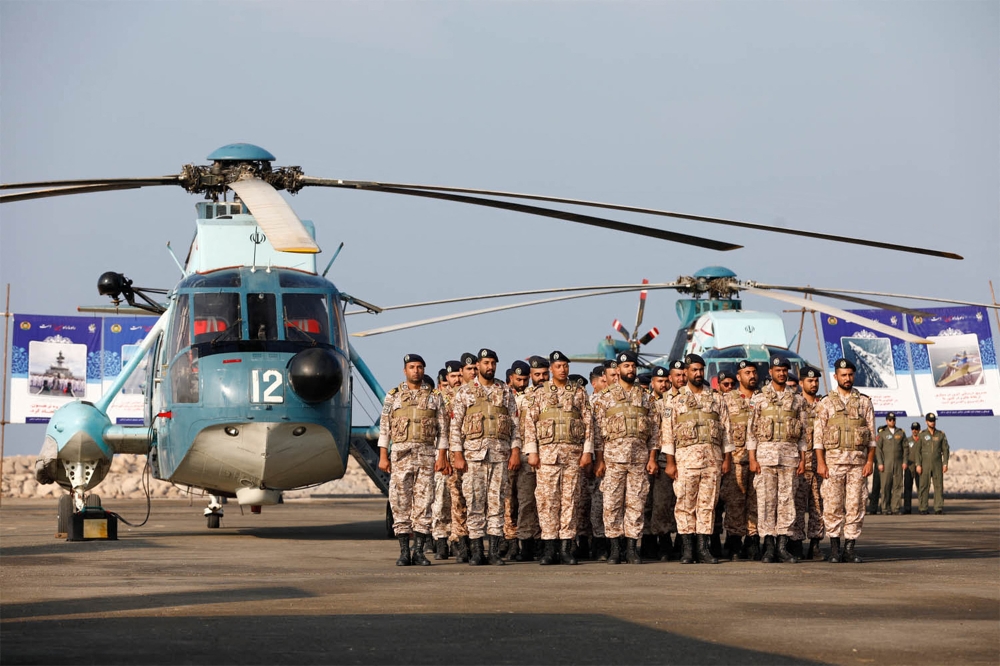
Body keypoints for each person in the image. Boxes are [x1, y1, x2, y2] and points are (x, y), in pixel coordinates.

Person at [450, 348, 521, 565]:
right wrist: (457, 454)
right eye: (486, 363)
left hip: (499, 455)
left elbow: (515, 424)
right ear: (478, 366)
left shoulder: (505, 391)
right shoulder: (464, 392)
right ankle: (477, 551)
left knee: (497, 503)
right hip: (473, 457)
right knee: (474, 502)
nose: (490, 367)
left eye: (493, 363)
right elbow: (455, 426)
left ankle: (494, 552)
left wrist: (515, 451)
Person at [377, 354, 450, 566]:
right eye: (411, 367)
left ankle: (418, 551)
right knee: (400, 503)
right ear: (405, 371)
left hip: (426, 457)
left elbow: (443, 431)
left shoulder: (435, 397)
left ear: (423, 370)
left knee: (424, 503)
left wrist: (442, 456)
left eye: (419, 367)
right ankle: (403, 552)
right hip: (401, 457)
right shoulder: (393, 396)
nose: (415, 371)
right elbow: (385, 428)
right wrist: (383, 456)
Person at [524, 351, 594, 565]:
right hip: (547, 456)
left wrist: (587, 451)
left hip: (573, 455)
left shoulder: (579, 392)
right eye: (558, 366)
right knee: (547, 501)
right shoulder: (539, 393)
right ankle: (549, 548)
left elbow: (588, 423)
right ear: (551, 369)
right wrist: (532, 451)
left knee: (570, 501)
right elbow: (530, 423)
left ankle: (566, 548)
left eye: (565, 366)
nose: (563, 369)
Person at [662, 353, 733, 565]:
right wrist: (670, 463)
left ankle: (703, 549)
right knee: (685, 505)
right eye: (694, 370)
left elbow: (726, 431)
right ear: (686, 372)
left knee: (707, 506)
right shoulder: (675, 401)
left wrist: (727, 459)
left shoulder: (716, 399)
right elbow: (668, 433)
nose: (698, 373)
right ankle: (687, 550)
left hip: (712, 461)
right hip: (685, 461)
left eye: (701, 370)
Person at [592, 350, 659, 564]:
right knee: (611, 504)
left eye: (632, 366)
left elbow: (655, 431)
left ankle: (631, 548)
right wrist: (599, 460)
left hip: (639, 460)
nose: (630, 369)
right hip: (613, 460)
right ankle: (614, 549)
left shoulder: (646, 398)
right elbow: (597, 432)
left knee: (636, 504)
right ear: (618, 369)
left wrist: (652, 458)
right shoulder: (605, 398)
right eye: (626, 366)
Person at [813, 358, 876, 564]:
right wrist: (821, 463)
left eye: (850, 375)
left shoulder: (864, 402)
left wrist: (869, 462)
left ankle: (849, 549)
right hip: (833, 464)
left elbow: (872, 438)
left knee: (856, 505)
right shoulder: (826, 403)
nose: (847, 378)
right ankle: (834, 549)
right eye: (843, 375)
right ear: (836, 377)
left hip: (858, 464)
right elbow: (818, 438)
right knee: (833, 506)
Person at [747, 357, 808, 564]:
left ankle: (782, 545)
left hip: (790, 458)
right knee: (766, 502)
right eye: (778, 370)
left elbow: (803, 434)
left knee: (787, 501)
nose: (781, 373)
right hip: (765, 458)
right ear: (770, 372)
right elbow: (751, 431)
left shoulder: (797, 400)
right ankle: (769, 547)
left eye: (784, 370)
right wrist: (752, 458)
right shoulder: (758, 399)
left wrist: (803, 459)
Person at [719, 359, 759, 560]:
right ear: (738, 376)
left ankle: (752, 541)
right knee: (734, 504)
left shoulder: (762, 399)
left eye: (753, 372)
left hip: (759, 462)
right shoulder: (726, 400)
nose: (751, 376)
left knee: (756, 503)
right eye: (747, 373)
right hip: (735, 461)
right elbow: (721, 431)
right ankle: (734, 542)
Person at [504, 359, 538, 561]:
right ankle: (509, 541)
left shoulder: (533, 397)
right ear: (511, 378)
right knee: (508, 501)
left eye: (525, 380)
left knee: (526, 501)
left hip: (526, 455)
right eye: (519, 380)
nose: (522, 383)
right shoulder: (503, 396)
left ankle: (526, 542)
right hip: (505, 455)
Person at [791, 365, 825, 560]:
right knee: (797, 505)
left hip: (819, 465)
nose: (814, 384)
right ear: (801, 382)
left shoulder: (824, 405)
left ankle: (815, 544)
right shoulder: (795, 404)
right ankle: (796, 543)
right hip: (800, 465)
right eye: (810, 381)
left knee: (818, 506)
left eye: (816, 381)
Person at [430, 359, 463, 559]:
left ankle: (457, 539)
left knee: (459, 502)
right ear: (447, 378)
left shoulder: (467, 395)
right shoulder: (438, 399)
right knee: (441, 500)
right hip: (443, 456)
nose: (457, 379)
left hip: (463, 457)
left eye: (459, 375)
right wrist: (443, 457)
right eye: (453, 376)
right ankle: (440, 540)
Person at [645, 365, 676, 561]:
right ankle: (648, 541)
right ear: (652, 383)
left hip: (665, 459)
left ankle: (664, 542)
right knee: (646, 503)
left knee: (663, 503)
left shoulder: (673, 402)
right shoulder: (645, 402)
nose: (663, 385)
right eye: (659, 381)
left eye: (665, 381)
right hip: (646, 459)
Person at [915, 413, 949, 515]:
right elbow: (917, 451)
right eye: (930, 421)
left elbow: (945, 449)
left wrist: (945, 463)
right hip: (925, 464)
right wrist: (918, 464)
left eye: (933, 421)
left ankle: (938, 507)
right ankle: (923, 508)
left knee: (938, 486)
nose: (932, 422)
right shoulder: (922, 435)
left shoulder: (940, 434)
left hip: (937, 464)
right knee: (924, 486)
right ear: (926, 422)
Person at [875, 412, 907, 515]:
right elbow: (878, 450)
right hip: (886, 463)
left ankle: (895, 508)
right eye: (890, 420)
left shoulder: (900, 433)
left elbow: (905, 448)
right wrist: (880, 463)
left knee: (897, 486)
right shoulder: (882, 433)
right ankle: (885, 508)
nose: (892, 421)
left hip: (898, 463)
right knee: (886, 486)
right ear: (886, 421)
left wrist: (905, 461)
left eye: (893, 419)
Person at [902, 422, 921, 514]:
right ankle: (907, 508)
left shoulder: (922, 440)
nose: (914, 431)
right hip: (909, 467)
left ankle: (922, 507)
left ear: (919, 430)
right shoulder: (908, 440)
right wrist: (904, 462)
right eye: (913, 429)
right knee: (907, 488)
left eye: (916, 429)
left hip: (919, 467)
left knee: (920, 488)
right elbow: (905, 452)